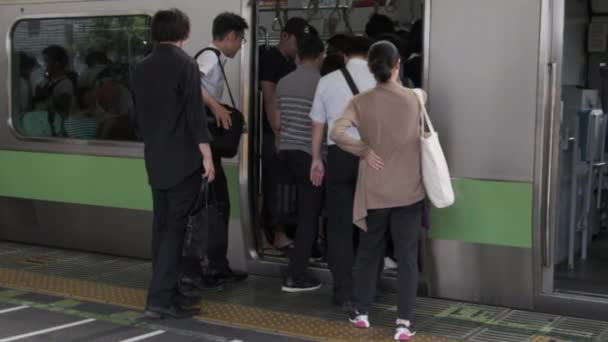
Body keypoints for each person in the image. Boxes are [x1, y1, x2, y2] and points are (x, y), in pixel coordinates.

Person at [330, 41, 425, 340]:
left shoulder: (360, 101)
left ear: (372, 68)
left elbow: (336, 132)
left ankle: (361, 312)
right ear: (397, 64)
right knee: (407, 257)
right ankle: (404, 323)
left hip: (376, 189)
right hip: (409, 190)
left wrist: (363, 150)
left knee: (369, 252)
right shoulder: (416, 98)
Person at [133, 8, 215, 319]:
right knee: (175, 231)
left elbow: (138, 118)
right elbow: (195, 115)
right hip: (183, 162)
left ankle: (171, 293)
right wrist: (207, 156)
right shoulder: (186, 64)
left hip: (155, 159)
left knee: (162, 227)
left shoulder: (141, 67)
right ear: (184, 33)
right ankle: (159, 300)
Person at [309, 36, 375, 309]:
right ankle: (367, 290)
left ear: (345, 56)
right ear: (369, 55)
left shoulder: (327, 81)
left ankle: (343, 292)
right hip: (373, 158)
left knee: (339, 227)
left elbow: (318, 125)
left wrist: (316, 159)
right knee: (371, 224)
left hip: (338, 156)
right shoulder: (380, 80)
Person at [192, 12, 249, 286]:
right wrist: (215, 105)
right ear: (230, 37)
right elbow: (188, 84)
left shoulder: (216, 60)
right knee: (213, 206)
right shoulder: (209, 57)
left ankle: (216, 265)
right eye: (240, 40)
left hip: (207, 145)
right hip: (202, 148)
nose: (240, 46)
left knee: (218, 205)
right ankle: (210, 267)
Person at [259, 17, 315, 252]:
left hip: (288, 135)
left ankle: (283, 231)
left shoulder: (292, 62)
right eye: (297, 40)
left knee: (286, 184)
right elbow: (269, 96)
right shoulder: (271, 58)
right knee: (277, 184)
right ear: (284, 36)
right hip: (275, 135)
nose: (299, 45)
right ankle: (276, 234)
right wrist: (278, 131)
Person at [275, 31, 325, 292]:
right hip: (310, 155)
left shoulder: (283, 82)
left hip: (287, 153)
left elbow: (278, 122)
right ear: (319, 55)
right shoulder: (322, 84)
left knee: (297, 212)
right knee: (309, 215)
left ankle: (296, 259)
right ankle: (296, 274)